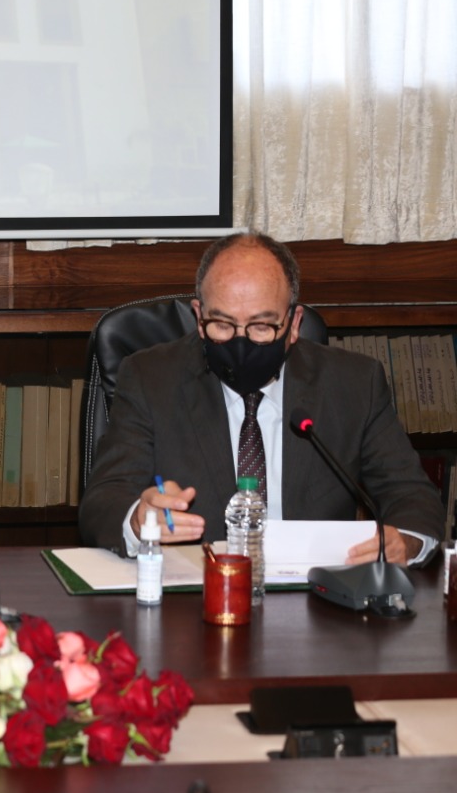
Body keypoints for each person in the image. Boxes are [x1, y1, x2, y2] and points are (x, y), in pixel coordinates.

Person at [78, 233, 443, 566]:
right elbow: (104, 500)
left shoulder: (353, 383)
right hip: (196, 593)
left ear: (294, 324)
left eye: (261, 326)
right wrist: (138, 519)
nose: (241, 343)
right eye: (222, 324)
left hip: (316, 598)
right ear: (198, 316)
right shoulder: (151, 378)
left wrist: (406, 542)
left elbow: (411, 496)